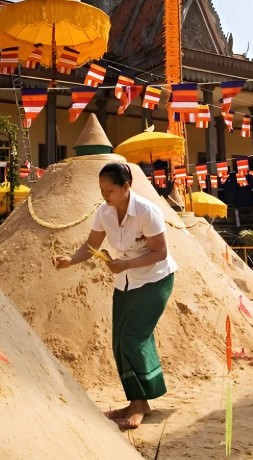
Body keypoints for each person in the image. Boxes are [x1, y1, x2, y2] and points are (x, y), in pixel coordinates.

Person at [52, 162, 177, 430]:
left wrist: (125, 265)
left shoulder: (147, 212)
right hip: (125, 282)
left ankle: (140, 403)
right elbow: (91, 246)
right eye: (101, 190)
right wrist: (70, 260)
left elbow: (160, 253)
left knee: (133, 337)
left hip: (155, 279)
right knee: (119, 341)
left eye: (109, 190)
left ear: (126, 187)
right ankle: (137, 401)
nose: (104, 195)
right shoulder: (104, 213)